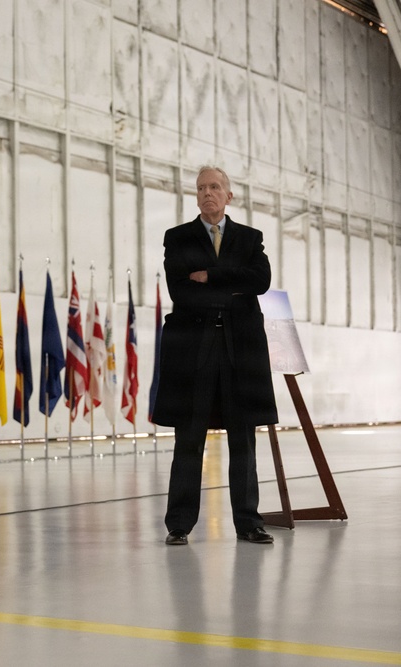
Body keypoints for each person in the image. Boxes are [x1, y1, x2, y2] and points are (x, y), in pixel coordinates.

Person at [151, 165, 278, 546]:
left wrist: (210, 275)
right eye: (202, 187)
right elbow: (181, 291)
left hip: (240, 350)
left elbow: (261, 282)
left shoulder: (250, 238)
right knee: (189, 439)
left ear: (229, 195)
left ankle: (249, 522)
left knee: (244, 438)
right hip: (194, 350)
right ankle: (179, 524)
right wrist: (233, 284)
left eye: (215, 187)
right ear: (196, 195)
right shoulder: (178, 238)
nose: (208, 193)